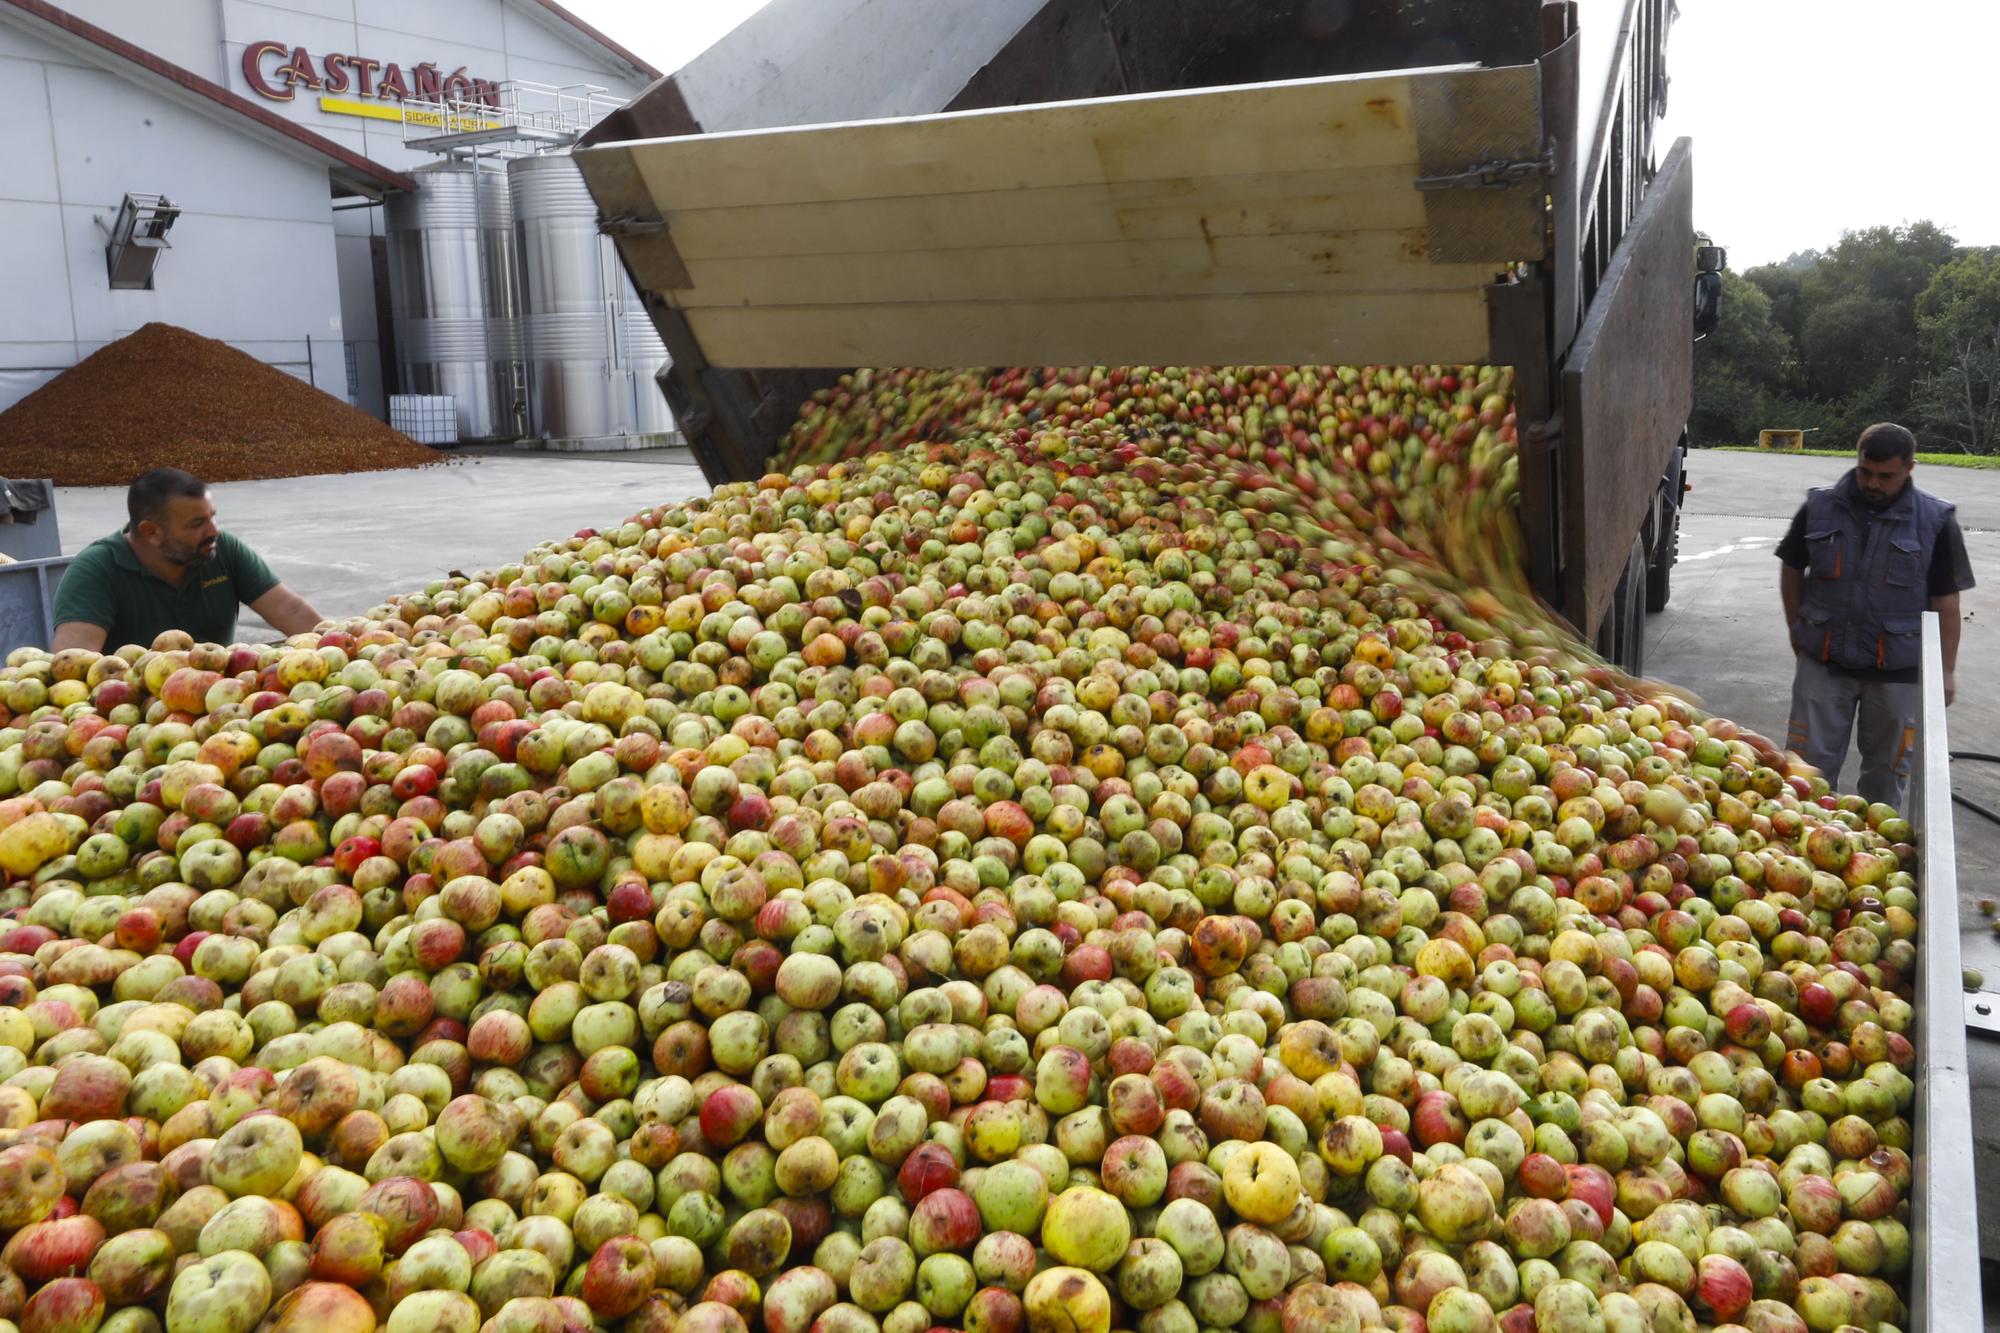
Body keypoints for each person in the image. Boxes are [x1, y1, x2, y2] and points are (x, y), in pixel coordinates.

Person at [1777, 423, 1973, 808]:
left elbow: (1946, 603)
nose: (1873, 483)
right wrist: (1795, 626)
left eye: (1886, 476)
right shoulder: (1819, 507)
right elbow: (1791, 567)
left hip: (1897, 675)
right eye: (1866, 471)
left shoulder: (1934, 521)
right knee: (1804, 779)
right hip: (1824, 665)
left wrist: (1944, 672)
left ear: (1909, 469)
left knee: (1885, 782)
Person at [51, 467, 324, 652]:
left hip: (223, 704)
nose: (214, 530)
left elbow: (289, 609)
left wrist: (343, 645)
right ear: (152, 532)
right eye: (197, 523)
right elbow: (74, 665)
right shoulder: (96, 570)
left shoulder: (221, 548)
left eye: (212, 516)